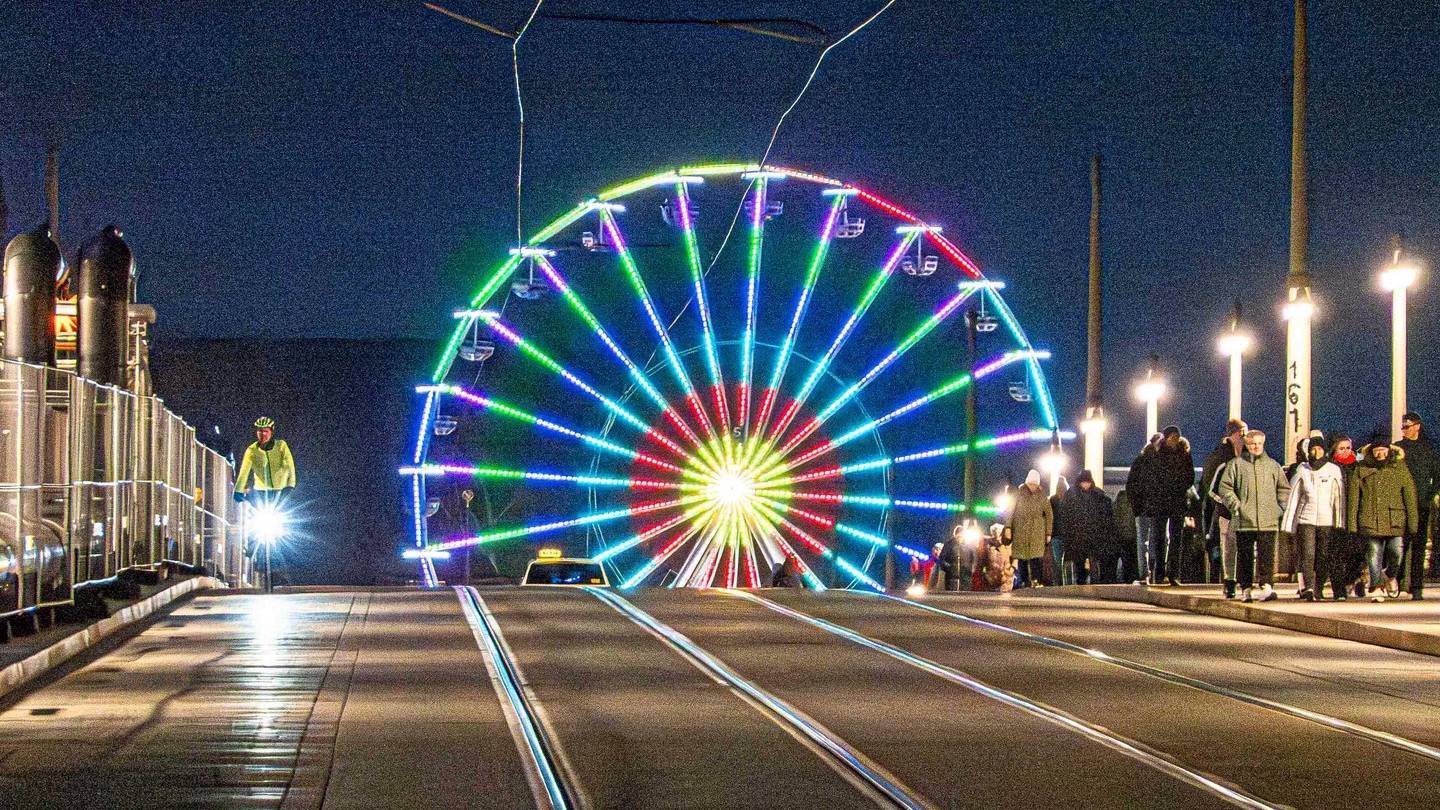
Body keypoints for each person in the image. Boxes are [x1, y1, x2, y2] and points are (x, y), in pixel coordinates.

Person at [1216, 429, 1290, 602]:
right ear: (1246, 444)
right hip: (1243, 521)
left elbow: (1284, 489)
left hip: (1268, 520)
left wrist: (1279, 509)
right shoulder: (1236, 464)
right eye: (1252, 443)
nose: (1256, 447)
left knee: (1267, 556)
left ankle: (1267, 586)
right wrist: (1236, 506)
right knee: (1245, 557)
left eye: (1259, 443)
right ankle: (1246, 588)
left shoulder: (1273, 465)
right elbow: (1225, 487)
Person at [1349, 435, 1419, 602]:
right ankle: (1376, 586)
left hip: (1395, 519)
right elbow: (1354, 498)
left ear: (1389, 450)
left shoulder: (1399, 468)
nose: (1380, 454)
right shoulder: (1362, 469)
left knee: (1396, 552)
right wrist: (1352, 524)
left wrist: (1413, 523)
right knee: (1373, 554)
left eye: (1383, 450)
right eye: (1377, 451)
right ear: (1372, 452)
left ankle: (1389, 575)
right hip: (1369, 519)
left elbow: (1410, 496)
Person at [1282, 435, 1345, 601]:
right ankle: (1308, 588)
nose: (1316, 452)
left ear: (1325, 451)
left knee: (1323, 555)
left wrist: (1339, 521)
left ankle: (1318, 587)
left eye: (1319, 449)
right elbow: (1294, 495)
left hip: (1327, 520)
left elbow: (1338, 497)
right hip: (1306, 519)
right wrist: (1289, 523)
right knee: (1308, 554)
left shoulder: (1333, 470)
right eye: (1313, 449)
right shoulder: (1302, 470)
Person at [1144, 426, 1195, 586]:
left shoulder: (1184, 453)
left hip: (1177, 501)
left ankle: (1173, 574)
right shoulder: (1157, 453)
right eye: (1171, 437)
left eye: (1176, 437)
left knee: (1176, 539)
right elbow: (1151, 477)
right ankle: (1159, 573)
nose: (1174, 440)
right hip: (1161, 501)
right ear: (1166, 438)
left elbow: (1190, 476)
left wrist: (1179, 487)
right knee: (1159, 538)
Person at [1396, 413, 1438, 598]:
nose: (1404, 430)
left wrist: (1429, 496)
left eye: (1407, 426)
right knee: (1400, 544)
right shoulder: (1398, 449)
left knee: (1419, 546)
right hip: (1401, 505)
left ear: (1417, 427)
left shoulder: (1428, 450)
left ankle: (1416, 586)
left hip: (1421, 504)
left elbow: (1437, 475)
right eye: (1403, 427)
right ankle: (1398, 581)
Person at [1056, 470, 1118, 585]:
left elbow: (1104, 517)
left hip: (1092, 537)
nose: (1085, 485)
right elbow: (1065, 516)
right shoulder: (1073, 495)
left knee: (1093, 562)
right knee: (1080, 564)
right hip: (1078, 537)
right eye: (1084, 482)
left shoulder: (1096, 495)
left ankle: (1092, 583)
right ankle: (1082, 583)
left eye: (1087, 482)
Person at [1328, 434, 1365, 599]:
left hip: (1354, 515)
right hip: (1334, 515)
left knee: (1357, 551)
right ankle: (1339, 588)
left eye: (1348, 448)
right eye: (1341, 448)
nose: (1345, 451)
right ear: (1335, 450)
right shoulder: (1330, 467)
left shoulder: (1357, 467)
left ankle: (1353, 579)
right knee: (1336, 553)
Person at [234, 416, 297, 505]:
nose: (263, 434)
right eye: (260, 431)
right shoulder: (251, 450)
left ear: (271, 432)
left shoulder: (281, 446)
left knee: (289, 510)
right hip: (261, 492)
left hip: (281, 491)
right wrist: (238, 490)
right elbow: (244, 472)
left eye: (266, 431)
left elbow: (290, 466)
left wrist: (290, 485)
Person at [1007, 469, 1053, 587]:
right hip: (1021, 531)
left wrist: (1048, 533)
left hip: (1037, 533)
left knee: (1036, 559)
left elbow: (1049, 514)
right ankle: (1024, 581)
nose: (1033, 486)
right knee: (1021, 558)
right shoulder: (1018, 494)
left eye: (1035, 484)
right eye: (1031, 484)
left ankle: (1036, 581)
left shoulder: (1042, 497)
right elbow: (1010, 511)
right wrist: (1008, 527)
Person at [1124, 434, 1160, 584]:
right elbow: (1131, 485)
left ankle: (1147, 572)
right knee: (1152, 541)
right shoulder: (1146, 461)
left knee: (1146, 541)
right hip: (1149, 508)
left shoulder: (1141, 460)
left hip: (1148, 508)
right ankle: (1150, 572)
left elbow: (1130, 485)